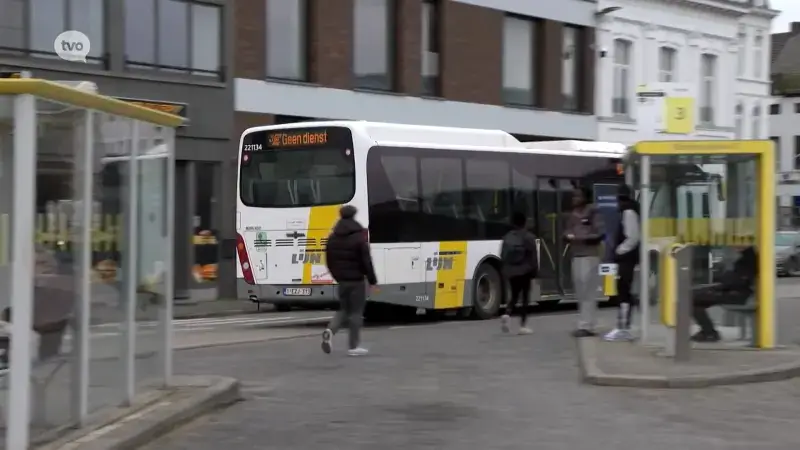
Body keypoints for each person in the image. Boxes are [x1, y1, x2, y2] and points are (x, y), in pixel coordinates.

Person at [321, 205, 378, 356]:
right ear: (354, 215)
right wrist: (372, 280)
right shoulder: (359, 237)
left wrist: (337, 276)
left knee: (344, 310)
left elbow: (329, 261)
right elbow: (367, 261)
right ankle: (353, 346)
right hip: (357, 281)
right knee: (356, 313)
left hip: (342, 281)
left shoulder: (332, 238)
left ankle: (330, 330)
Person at [691, 246, 757, 342]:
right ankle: (708, 331)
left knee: (693, 298)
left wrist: (719, 286)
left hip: (738, 295)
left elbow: (738, 281)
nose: (734, 246)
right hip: (735, 292)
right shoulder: (747, 259)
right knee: (695, 299)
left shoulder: (748, 260)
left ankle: (709, 332)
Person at [565, 186, 605, 337]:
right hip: (576, 255)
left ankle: (588, 325)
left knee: (589, 291)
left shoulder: (594, 212)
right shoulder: (572, 215)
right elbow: (566, 230)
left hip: (590, 255)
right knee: (580, 291)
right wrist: (567, 235)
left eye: (578, 196)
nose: (575, 199)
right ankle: (585, 322)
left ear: (585, 197)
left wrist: (580, 238)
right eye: (574, 196)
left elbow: (600, 234)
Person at [603, 185, 641, 342]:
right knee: (623, 290)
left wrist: (619, 250)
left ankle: (623, 327)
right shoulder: (628, 211)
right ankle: (623, 325)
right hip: (627, 257)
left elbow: (633, 237)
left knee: (623, 290)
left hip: (626, 258)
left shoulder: (628, 212)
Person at [499, 211, 539, 335]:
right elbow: (533, 257)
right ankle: (523, 325)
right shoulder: (529, 237)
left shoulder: (507, 237)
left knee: (515, 295)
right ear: (525, 222)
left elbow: (502, 255)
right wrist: (534, 271)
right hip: (525, 270)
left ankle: (507, 313)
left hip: (511, 271)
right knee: (525, 297)